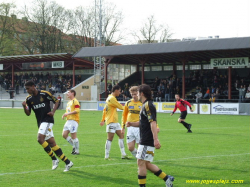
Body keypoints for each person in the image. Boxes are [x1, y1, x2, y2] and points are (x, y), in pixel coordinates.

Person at [126, 84, 174, 187]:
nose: (137, 95)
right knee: (146, 163)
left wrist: (156, 139)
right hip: (146, 138)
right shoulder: (145, 105)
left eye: (138, 93)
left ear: (142, 93)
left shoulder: (148, 105)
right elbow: (143, 123)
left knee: (140, 162)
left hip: (147, 139)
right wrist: (131, 124)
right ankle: (167, 179)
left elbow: (153, 122)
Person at [22, 81, 73, 172]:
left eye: (28, 88)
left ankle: (54, 159)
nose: (27, 90)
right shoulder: (29, 99)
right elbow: (28, 113)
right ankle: (68, 162)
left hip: (48, 120)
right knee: (52, 144)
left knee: (40, 139)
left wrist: (53, 112)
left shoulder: (44, 94)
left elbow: (56, 101)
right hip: (41, 123)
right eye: (26, 89)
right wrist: (24, 107)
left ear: (33, 86)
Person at [100, 85, 129, 160]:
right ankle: (106, 156)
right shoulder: (111, 99)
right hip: (111, 121)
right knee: (110, 138)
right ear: (116, 90)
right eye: (119, 90)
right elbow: (120, 106)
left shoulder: (111, 98)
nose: (120, 92)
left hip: (115, 122)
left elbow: (105, 110)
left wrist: (103, 120)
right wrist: (129, 108)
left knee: (121, 136)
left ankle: (123, 154)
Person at [121, 86, 141, 158]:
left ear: (139, 93)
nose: (134, 96)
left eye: (135, 94)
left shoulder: (142, 103)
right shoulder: (128, 103)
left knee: (140, 148)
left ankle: (141, 161)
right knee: (130, 148)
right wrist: (122, 127)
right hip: (130, 127)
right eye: (132, 94)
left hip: (140, 127)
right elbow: (124, 115)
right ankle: (139, 159)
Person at [62, 90, 80, 155]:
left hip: (74, 120)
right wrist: (65, 114)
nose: (67, 94)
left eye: (68, 93)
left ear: (72, 93)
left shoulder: (75, 101)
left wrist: (67, 114)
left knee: (73, 136)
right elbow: (68, 111)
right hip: (68, 120)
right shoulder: (69, 102)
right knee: (64, 135)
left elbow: (77, 111)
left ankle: (77, 151)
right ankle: (74, 146)